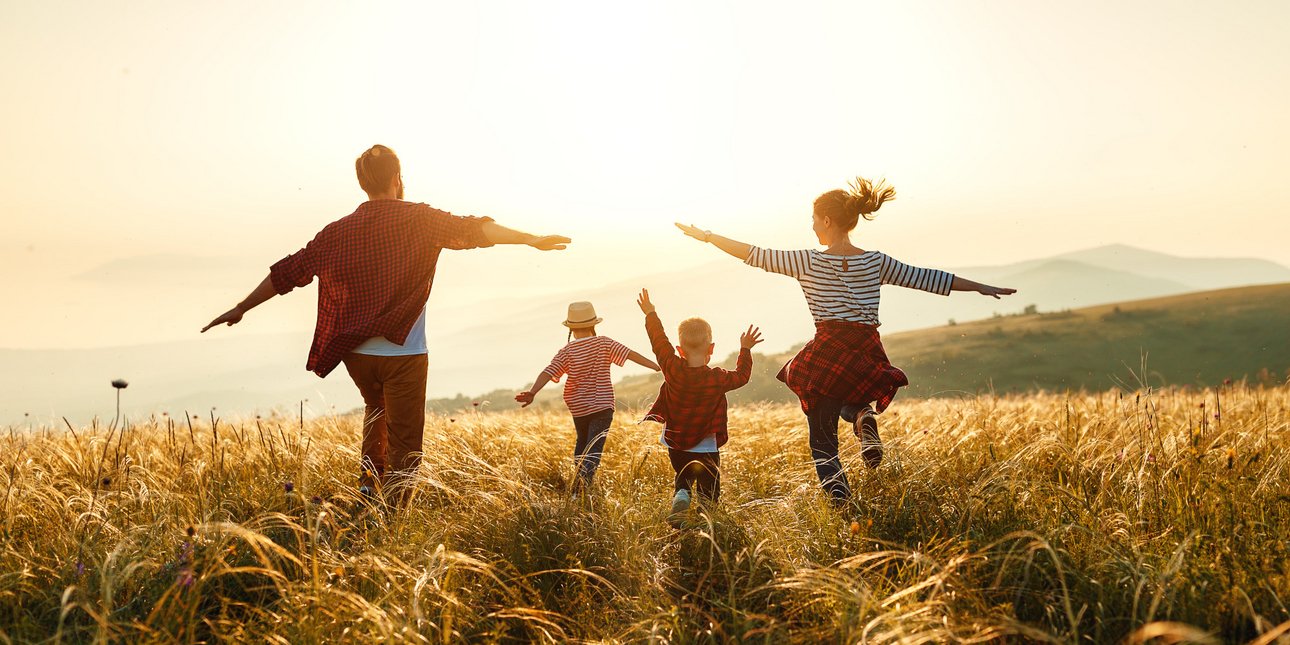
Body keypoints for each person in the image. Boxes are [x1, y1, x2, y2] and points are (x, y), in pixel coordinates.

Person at [202, 144, 570, 503]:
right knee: (406, 441)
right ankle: (392, 514)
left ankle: (368, 488)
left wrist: (241, 307)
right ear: (397, 177)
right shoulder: (420, 219)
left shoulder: (336, 232)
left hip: (356, 354)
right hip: (404, 353)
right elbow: (475, 230)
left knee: (375, 412)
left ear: (363, 183)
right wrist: (530, 239)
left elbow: (289, 272)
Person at [675, 177, 1015, 506]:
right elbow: (928, 278)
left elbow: (753, 253)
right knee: (849, 398)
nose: (811, 227)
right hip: (867, 349)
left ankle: (842, 504)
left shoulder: (807, 260)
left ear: (826, 220)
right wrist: (981, 287)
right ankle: (862, 417)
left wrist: (707, 237)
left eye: (813, 220)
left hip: (828, 348)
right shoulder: (875, 261)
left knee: (823, 443)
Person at [636, 288, 761, 522]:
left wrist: (650, 313)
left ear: (679, 350)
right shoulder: (717, 378)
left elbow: (658, 341)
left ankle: (682, 495)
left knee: (683, 479)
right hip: (706, 447)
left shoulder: (671, 368)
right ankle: (705, 524)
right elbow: (742, 376)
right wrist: (745, 349)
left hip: (676, 442)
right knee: (709, 490)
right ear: (711, 349)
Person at [514, 301, 660, 493]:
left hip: (579, 408)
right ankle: (582, 488)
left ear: (571, 329)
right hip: (602, 406)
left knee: (582, 444)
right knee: (594, 448)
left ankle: (578, 487)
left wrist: (532, 392)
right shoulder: (604, 343)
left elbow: (548, 372)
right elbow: (630, 354)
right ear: (593, 324)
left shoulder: (567, 351)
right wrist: (657, 366)